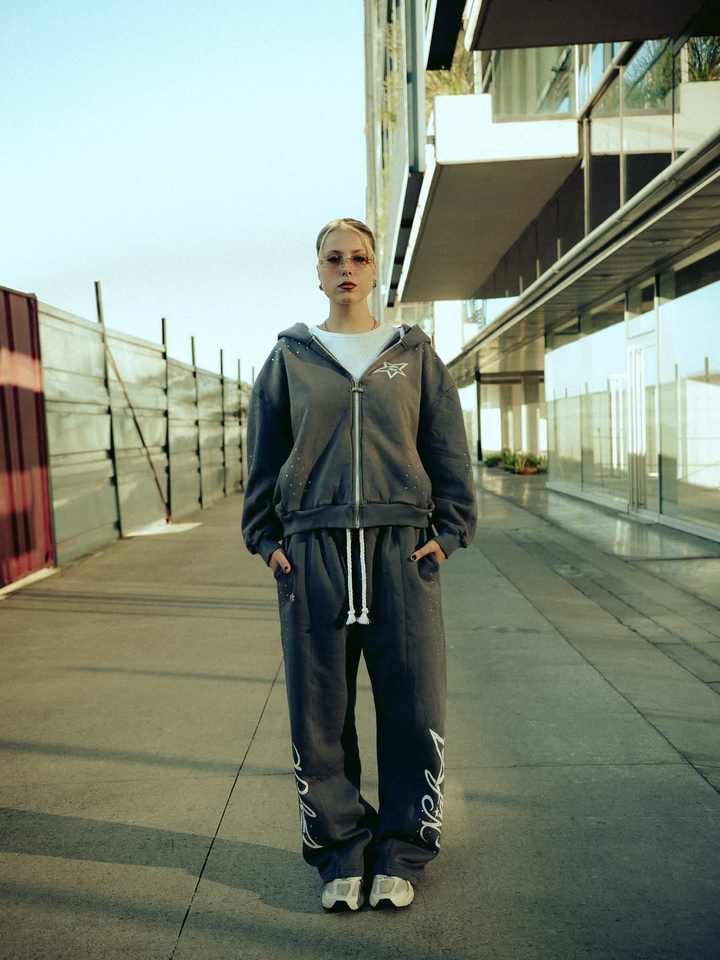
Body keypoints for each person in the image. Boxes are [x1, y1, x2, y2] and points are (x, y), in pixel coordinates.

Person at [241, 216, 477, 912]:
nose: (347, 268)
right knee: (319, 713)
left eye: (360, 257)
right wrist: (266, 538)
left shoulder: (414, 354)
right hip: (312, 553)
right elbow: (263, 455)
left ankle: (402, 850)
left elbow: (446, 447)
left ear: (375, 270)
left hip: (400, 552)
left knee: (413, 706)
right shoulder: (290, 357)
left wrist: (450, 532)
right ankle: (340, 851)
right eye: (334, 258)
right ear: (318, 272)